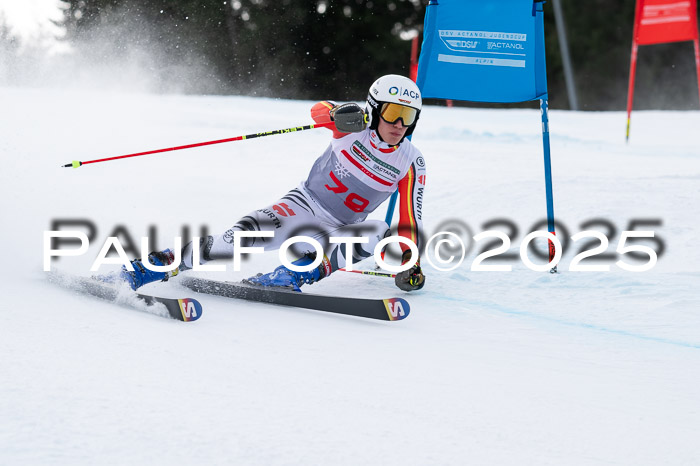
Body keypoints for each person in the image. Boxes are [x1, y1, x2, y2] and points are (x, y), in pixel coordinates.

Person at [121, 74, 426, 292]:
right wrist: (334, 113)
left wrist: (411, 262)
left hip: (340, 231)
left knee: (378, 232)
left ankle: (290, 276)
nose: (399, 125)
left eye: (408, 116)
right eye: (393, 113)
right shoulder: (352, 126)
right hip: (301, 207)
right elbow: (318, 111)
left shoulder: (411, 161)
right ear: (374, 109)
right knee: (236, 239)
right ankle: (155, 266)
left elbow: (411, 219)